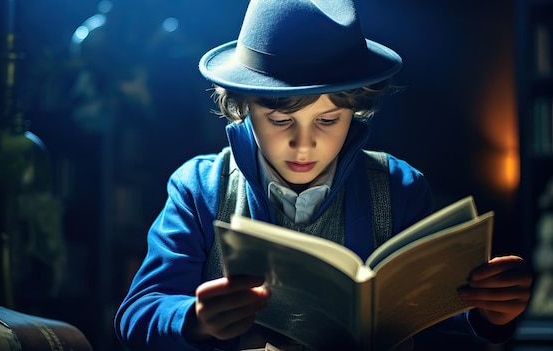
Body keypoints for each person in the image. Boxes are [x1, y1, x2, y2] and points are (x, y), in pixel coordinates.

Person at [114, 0, 533, 350]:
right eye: (280, 120)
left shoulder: (400, 187)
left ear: (357, 109)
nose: (303, 145)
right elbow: (138, 312)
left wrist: (489, 314)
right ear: (242, 107)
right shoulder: (200, 187)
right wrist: (194, 318)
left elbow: (440, 331)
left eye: (329, 119)